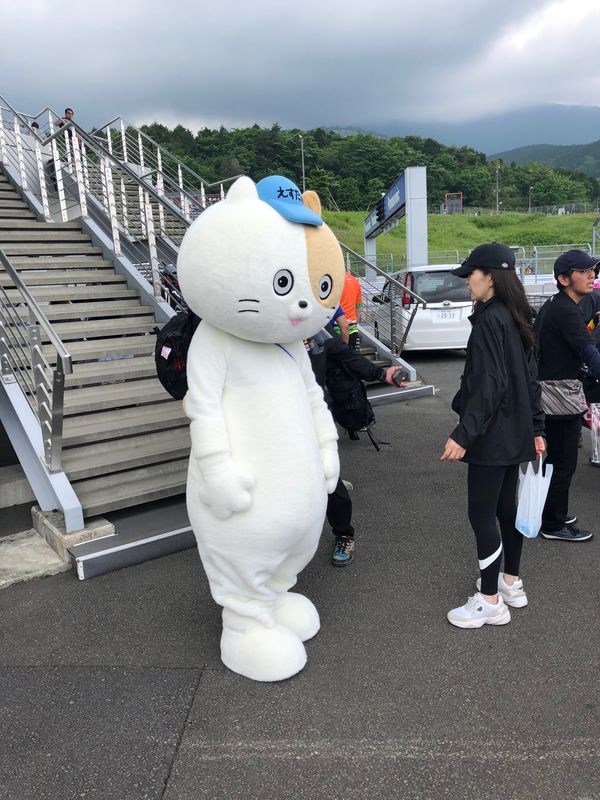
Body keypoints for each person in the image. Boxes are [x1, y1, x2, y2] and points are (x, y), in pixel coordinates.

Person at [440, 243, 545, 629]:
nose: (467, 281)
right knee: (505, 510)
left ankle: (489, 602)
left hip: (492, 436)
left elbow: (489, 385)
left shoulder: (489, 321)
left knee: (482, 514)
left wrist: (463, 434)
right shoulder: (517, 316)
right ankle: (510, 582)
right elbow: (531, 380)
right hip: (514, 433)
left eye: (472, 273)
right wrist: (537, 428)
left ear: (491, 277)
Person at [307, 328, 403, 566]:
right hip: (270, 425)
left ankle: (344, 534)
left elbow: (346, 355)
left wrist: (382, 373)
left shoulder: (314, 335)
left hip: (311, 420)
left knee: (327, 476)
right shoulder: (260, 338)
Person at [534, 249, 600, 541]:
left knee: (557, 458)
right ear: (564, 279)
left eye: (593, 270)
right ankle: (553, 524)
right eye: (583, 271)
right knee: (563, 461)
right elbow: (588, 351)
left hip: (548, 390)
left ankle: (551, 511)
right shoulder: (566, 310)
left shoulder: (556, 304)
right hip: (559, 394)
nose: (592, 275)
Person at [339, 271, 363, 350]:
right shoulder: (354, 280)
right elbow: (358, 306)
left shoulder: (332, 279)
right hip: (352, 328)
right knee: (352, 355)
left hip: (336, 329)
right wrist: (355, 324)